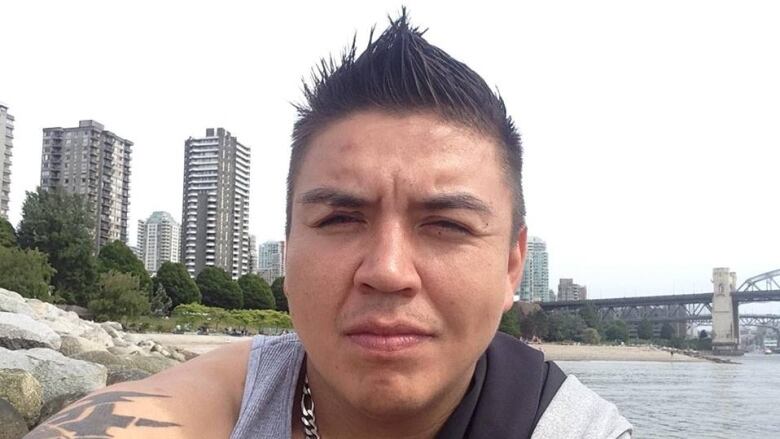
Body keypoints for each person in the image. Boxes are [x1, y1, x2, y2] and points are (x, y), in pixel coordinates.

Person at [27, 11, 632, 439]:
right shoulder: (224, 402)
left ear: (510, 266)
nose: (388, 272)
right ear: (288, 254)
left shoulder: (574, 428)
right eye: (340, 218)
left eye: (446, 225)